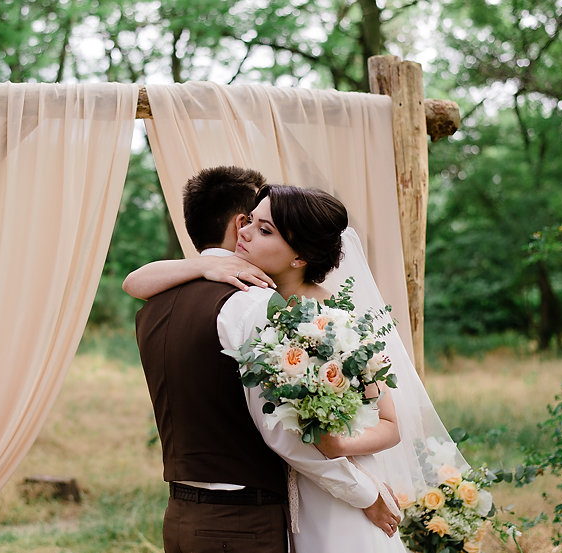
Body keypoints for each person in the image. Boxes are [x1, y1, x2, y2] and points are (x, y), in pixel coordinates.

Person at [127, 169, 401, 553]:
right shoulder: (256, 305)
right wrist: (363, 492)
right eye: (252, 222)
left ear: (300, 256)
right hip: (267, 506)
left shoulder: (329, 321)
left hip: (209, 508)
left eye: (265, 228)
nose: (247, 232)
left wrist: (338, 447)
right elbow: (283, 436)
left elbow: (386, 423)